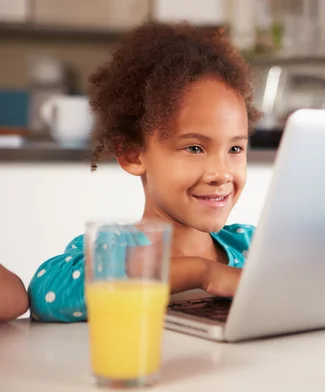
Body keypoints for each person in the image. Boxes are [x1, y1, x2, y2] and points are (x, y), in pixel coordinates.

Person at [28, 22, 261, 323]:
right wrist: (203, 273)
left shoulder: (249, 245)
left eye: (235, 150)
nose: (221, 174)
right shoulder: (112, 249)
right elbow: (46, 292)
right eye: (194, 149)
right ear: (133, 154)